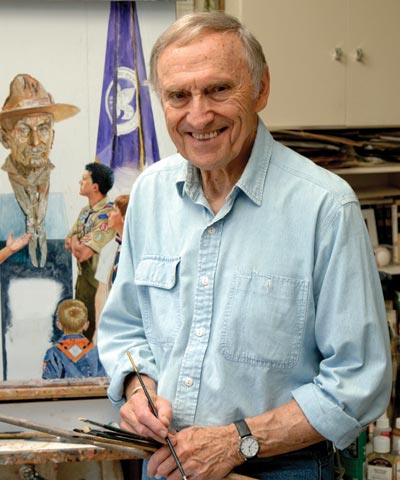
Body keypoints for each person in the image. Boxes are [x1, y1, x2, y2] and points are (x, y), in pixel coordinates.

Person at [98, 12, 392, 480]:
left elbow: (358, 380)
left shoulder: (326, 206)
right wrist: (137, 388)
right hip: (165, 461)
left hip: (278, 467)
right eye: (178, 95)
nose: (198, 115)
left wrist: (237, 440)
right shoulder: (150, 194)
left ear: (261, 89)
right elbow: (125, 329)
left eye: (218, 89)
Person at [0, 74, 79, 267]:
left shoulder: (71, 189)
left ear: (53, 136)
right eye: (24, 130)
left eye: (43, 129)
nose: (35, 142)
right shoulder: (3, 192)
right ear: (4, 138)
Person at [65, 162, 115, 342]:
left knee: (98, 339)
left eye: (84, 179)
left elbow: (82, 253)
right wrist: (77, 243)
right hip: (83, 286)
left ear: (95, 187)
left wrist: (77, 243)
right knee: (81, 337)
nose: (80, 182)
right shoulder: (85, 211)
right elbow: (68, 241)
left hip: (100, 287)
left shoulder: (108, 214)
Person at [42, 299, 106, 379]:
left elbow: (48, 383)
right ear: (86, 325)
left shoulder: (53, 353)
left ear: (59, 325)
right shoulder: (98, 353)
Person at [94, 194, 129, 329]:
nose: (109, 214)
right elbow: (102, 290)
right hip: (112, 322)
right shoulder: (109, 249)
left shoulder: (140, 249)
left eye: (114, 210)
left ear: (124, 217)